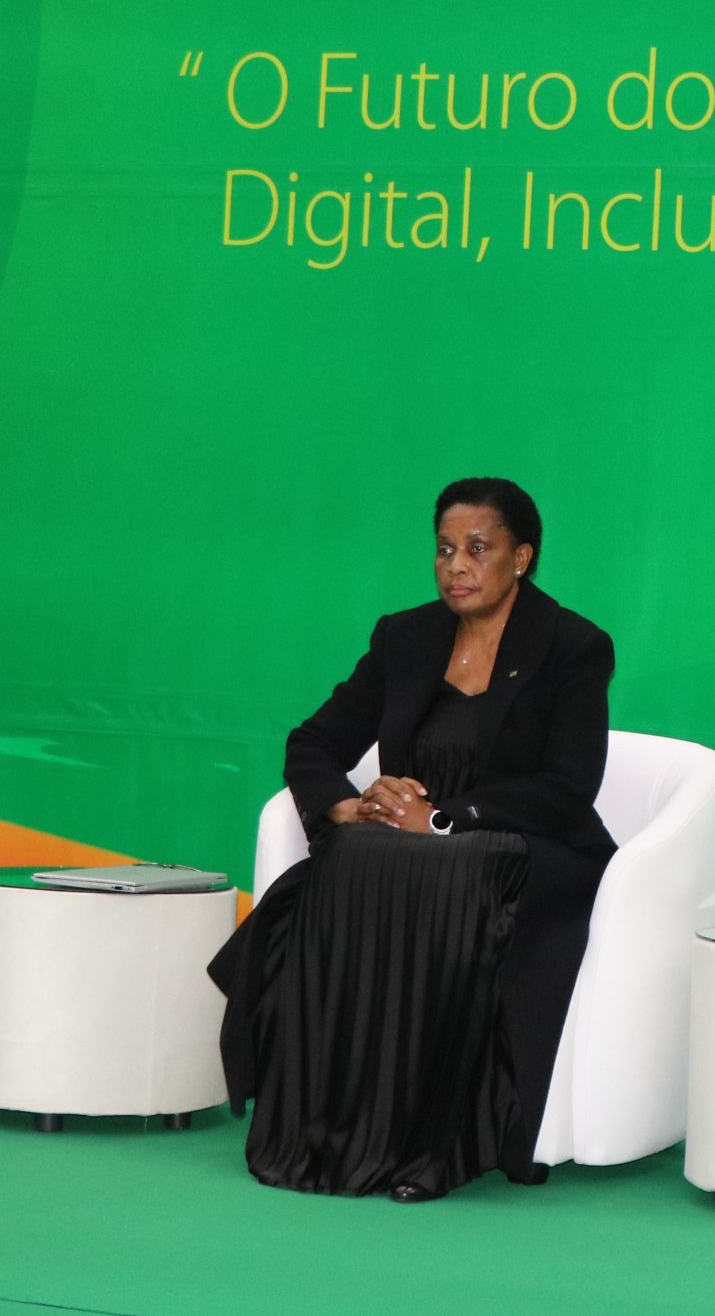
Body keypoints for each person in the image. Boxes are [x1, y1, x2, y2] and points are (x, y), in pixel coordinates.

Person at [210, 478, 615, 1201]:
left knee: (454, 870)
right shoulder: (406, 637)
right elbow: (313, 741)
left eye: (477, 549)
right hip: (402, 849)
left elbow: (567, 785)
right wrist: (344, 805)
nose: (456, 565)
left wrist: (442, 819)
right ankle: (324, 1134)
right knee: (346, 857)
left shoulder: (572, 645)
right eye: (444, 549)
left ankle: (433, 1148)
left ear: (521, 557)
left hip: (526, 848)